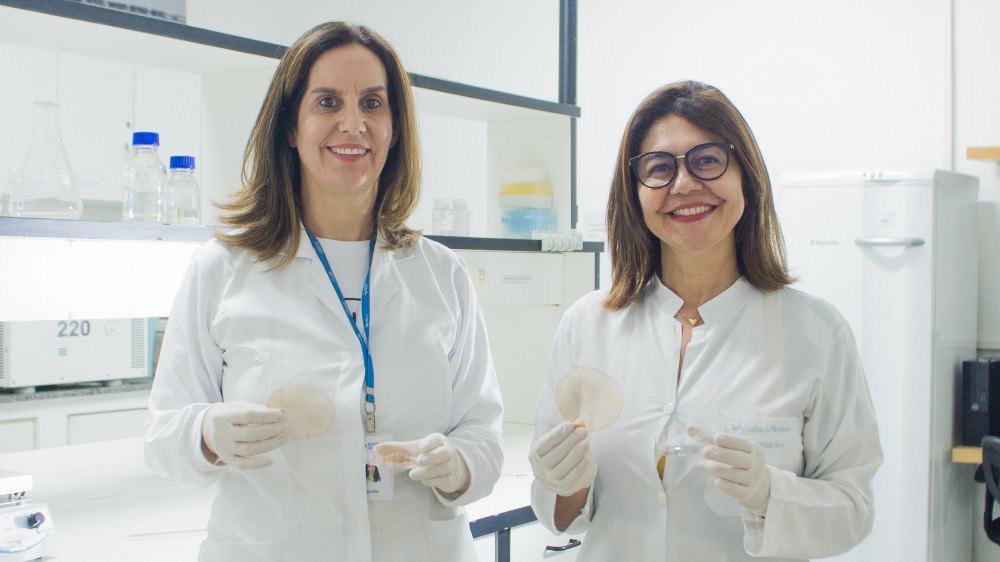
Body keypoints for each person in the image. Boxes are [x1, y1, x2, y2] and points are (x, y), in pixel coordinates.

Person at [144, 21, 503, 562]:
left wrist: (460, 466)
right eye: (328, 102)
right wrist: (205, 432)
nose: (352, 123)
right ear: (291, 126)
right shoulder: (224, 269)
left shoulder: (441, 275)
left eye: (373, 103)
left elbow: (484, 432)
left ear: (395, 128)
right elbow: (163, 436)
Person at [528, 80, 882, 561]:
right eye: (659, 168)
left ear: (746, 177)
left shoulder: (816, 332)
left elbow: (853, 508)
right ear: (634, 194)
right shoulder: (588, 324)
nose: (684, 185)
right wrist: (562, 483)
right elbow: (561, 513)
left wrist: (768, 493)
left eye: (708, 160)